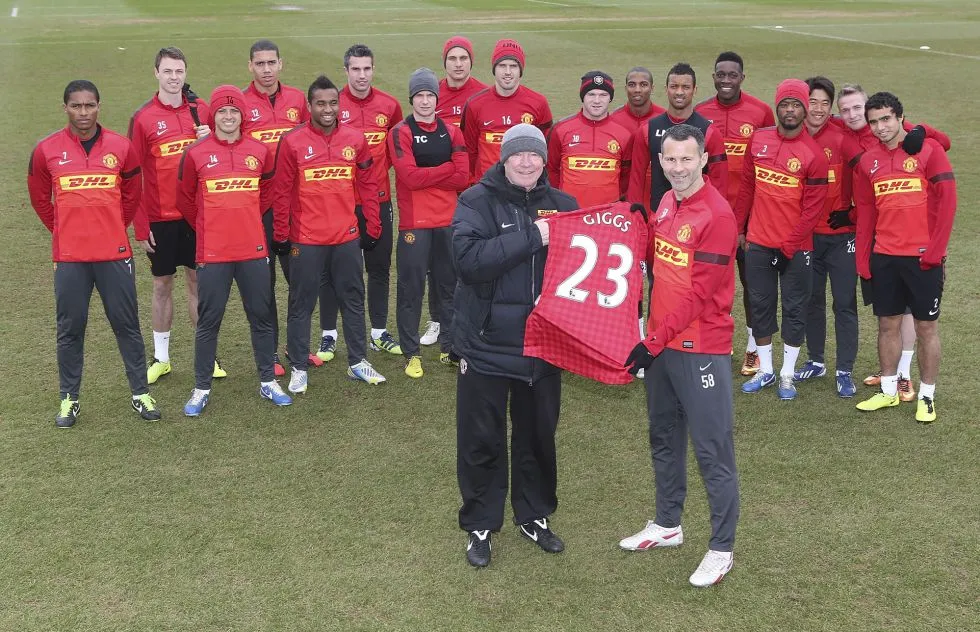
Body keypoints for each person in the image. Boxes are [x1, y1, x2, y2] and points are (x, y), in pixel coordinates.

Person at [453, 124, 578, 568]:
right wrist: (533, 237)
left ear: (545, 160)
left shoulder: (564, 206)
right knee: (481, 439)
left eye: (534, 155)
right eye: (517, 155)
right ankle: (481, 525)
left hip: (543, 347)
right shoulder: (475, 201)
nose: (526, 163)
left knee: (538, 437)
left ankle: (535, 515)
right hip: (487, 345)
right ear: (503, 158)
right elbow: (469, 263)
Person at [620, 124, 739, 588]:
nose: (678, 168)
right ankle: (668, 524)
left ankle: (722, 548)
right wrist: (634, 223)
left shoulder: (718, 215)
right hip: (663, 344)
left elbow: (698, 298)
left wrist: (650, 341)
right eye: (670, 160)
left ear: (704, 160)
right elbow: (656, 261)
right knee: (664, 436)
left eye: (687, 159)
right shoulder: (668, 202)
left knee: (713, 451)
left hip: (701, 348)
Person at [27, 79, 161, 427]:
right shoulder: (46, 150)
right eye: (76, 105)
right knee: (70, 328)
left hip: (114, 255)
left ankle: (140, 393)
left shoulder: (121, 146)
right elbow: (41, 199)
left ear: (99, 106)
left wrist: (114, 226)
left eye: (89, 105)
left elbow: (132, 193)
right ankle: (69, 400)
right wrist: (63, 230)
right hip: (70, 258)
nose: (83, 112)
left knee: (127, 325)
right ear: (66, 108)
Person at [177, 85, 292, 416]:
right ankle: (201, 388)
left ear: (243, 115)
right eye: (222, 112)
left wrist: (246, 218)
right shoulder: (196, 153)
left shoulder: (259, 151)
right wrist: (210, 223)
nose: (228, 117)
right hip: (212, 253)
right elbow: (184, 199)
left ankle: (268, 381)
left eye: (234, 112)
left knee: (261, 316)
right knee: (209, 321)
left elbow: (268, 190)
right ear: (213, 116)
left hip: (253, 250)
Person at [836, 84, 951, 400]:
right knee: (887, 323)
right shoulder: (864, 156)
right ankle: (889, 388)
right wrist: (863, 259)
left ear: (900, 118)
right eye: (874, 122)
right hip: (883, 254)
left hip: (920, 255)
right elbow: (867, 213)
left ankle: (921, 391)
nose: (879, 127)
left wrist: (936, 254)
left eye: (885, 119)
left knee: (923, 325)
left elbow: (948, 199)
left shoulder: (924, 148)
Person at [272, 75, 386, 391]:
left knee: (353, 297)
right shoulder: (292, 141)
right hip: (306, 239)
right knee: (301, 303)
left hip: (346, 237)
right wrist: (281, 233)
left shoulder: (355, 139)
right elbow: (280, 192)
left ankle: (358, 362)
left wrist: (372, 227)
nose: (327, 109)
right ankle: (298, 367)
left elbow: (368, 184)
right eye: (321, 103)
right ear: (309, 106)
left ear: (340, 105)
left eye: (333, 102)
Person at [129, 47, 221, 385]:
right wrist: (141, 227)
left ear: (185, 73)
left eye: (179, 71)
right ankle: (162, 358)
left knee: (199, 282)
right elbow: (133, 174)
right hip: (160, 219)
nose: (174, 77)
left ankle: (207, 357)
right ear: (156, 73)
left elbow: (224, 155)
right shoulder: (143, 118)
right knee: (161, 284)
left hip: (197, 216)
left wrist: (210, 139)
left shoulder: (203, 111)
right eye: (167, 71)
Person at [734, 79, 828, 400]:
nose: (790, 110)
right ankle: (765, 370)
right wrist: (741, 229)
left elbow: (812, 211)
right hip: (758, 243)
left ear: (804, 110)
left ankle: (787, 374)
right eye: (785, 105)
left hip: (796, 249)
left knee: (794, 308)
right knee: (760, 306)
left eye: (796, 105)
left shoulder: (814, 155)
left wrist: (789, 247)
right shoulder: (758, 140)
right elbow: (747, 187)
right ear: (777, 107)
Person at [317, 43, 405, 359]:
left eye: (367, 68)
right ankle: (328, 335)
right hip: (339, 204)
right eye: (356, 69)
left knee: (379, 268)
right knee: (332, 271)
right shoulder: (330, 105)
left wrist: (380, 178)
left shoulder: (390, 105)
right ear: (346, 71)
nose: (362, 75)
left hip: (378, 201)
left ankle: (378, 332)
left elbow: (397, 150)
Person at [695, 52, 776, 377]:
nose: (726, 80)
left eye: (732, 75)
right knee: (708, 283)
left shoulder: (760, 112)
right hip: (708, 217)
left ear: (742, 77)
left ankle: (755, 348)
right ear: (713, 77)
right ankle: (713, 340)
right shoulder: (700, 113)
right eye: (720, 75)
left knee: (752, 285)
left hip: (750, 216)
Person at [389, 69, 469, 377]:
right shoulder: (401, 132)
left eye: (430, 95)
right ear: (411, 99)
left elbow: (463, 176)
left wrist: (429, 174)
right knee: (411, 289)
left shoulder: (452, 131)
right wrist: (445, 167)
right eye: (419, 96)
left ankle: (448, 348)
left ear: (437, 98)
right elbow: (408, 177)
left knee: (447, 286)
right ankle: (411, 353)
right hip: (415, 224)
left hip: (447, 222)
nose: (425, 101)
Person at [242, 39, 313, 375]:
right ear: (251, 67)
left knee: (300, 279)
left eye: (271, 63)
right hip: (260, 208)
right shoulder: (240, 103)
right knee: (264, 283)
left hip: (297, 206)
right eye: (260, 63)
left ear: (280, 64)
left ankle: (297, 345)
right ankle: (268, 352)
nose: (266, 70)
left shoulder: (298, 100)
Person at [791, 76, 858, 397]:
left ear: (830, 107)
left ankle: (844, 370)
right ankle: (816, 360)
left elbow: (871, 166)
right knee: (812, 301)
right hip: (807, 238)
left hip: (842, 236)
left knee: (844, 303)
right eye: (812, 102)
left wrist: (854, 213)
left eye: (823, 103)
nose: (817, 109)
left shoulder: (843, 137)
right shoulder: (794, 137)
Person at [425, 35, 488, 347]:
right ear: (445, 62)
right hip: (442, 191)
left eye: (464, 58)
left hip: (476, 191)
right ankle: (437, 320)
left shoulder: (483, 94)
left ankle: (477, 318)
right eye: (453, 58)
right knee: (440, 259)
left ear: (471, 61)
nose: (458, 64)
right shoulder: (432, 94)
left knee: (477, 256)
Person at [626, 62, 727, 218]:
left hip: (697, 219)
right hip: (658, 216)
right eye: (674, 86)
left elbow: (719, 184)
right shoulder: (647, 130)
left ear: (695, 90)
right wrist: (634, 216)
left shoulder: (710, 133)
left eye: (685, 87)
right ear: (666, 89)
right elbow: (636, 181)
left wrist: (715, 218)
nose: (679, 92)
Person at [460, 38, 553, 183]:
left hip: (524, 186)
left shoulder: (538, 103)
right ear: (494, 69)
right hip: (488, 187)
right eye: (502, 66)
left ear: (520, 69)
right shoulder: (474, 104)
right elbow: (469, 151)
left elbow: (545, 151)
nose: (508, 72)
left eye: (513, 66)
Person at [546, 70, 633, 207]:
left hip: (607, 214)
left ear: (610, 98)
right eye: (591, 94)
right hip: (570, 211)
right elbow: (552, 170)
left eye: (603, 95)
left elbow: (626, 176)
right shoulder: (561, 130)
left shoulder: (624, 134)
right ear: (583, 97)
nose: (597, 101)